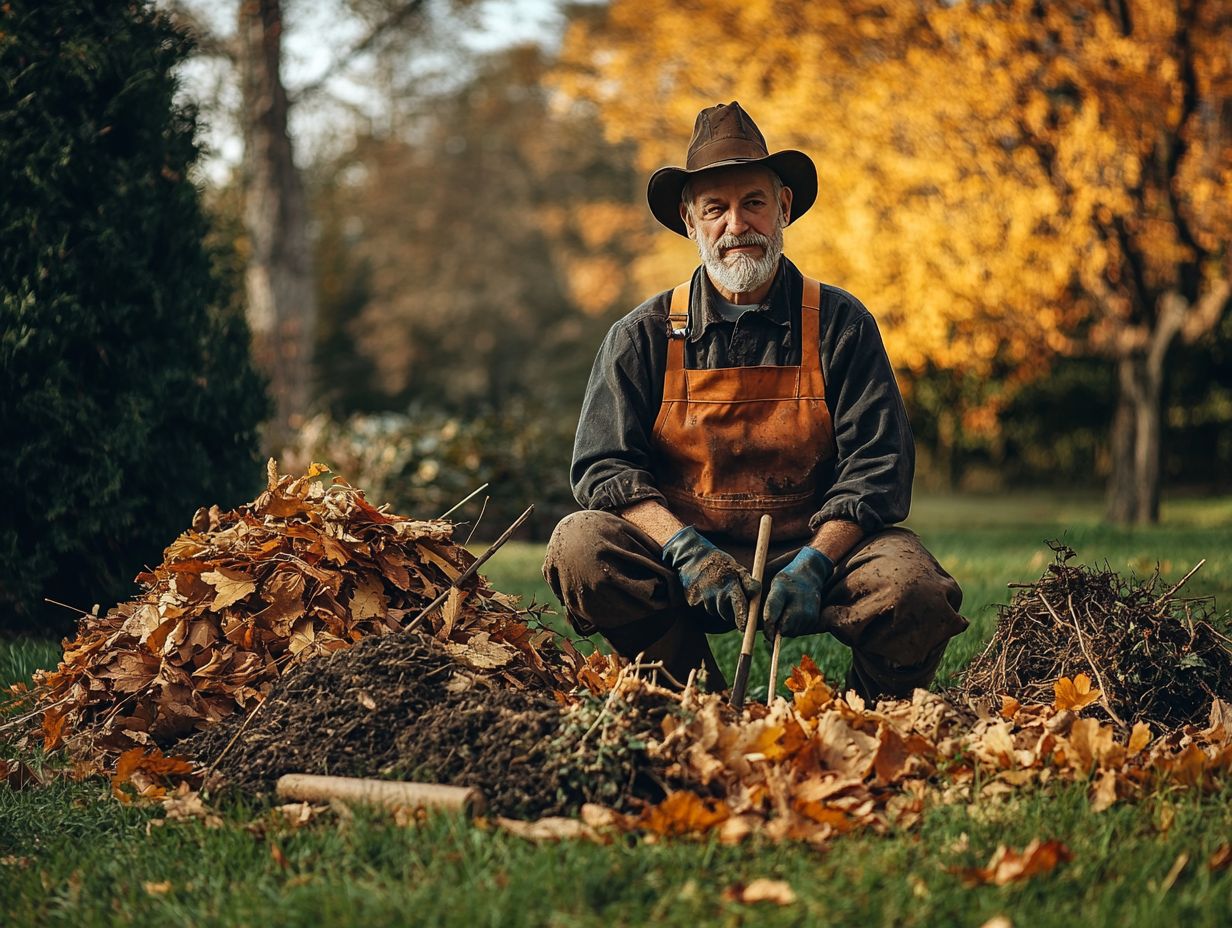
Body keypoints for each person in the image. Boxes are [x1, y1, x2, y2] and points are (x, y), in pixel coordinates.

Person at [542, 102, 966, 699]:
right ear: (690, 224)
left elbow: (879, 468)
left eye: (754, 203)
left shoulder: (841, 323)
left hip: (817, 547)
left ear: (783, 208)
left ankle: (872, 722)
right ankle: (693, 701)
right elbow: (603, 468)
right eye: (715, 209)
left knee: (914, 591)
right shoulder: (641, 335)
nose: (736, 225)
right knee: (581, 546)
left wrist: (816, 562)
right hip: (682, 552)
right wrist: (687, 550)